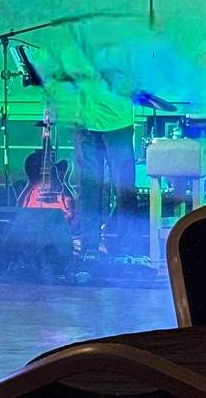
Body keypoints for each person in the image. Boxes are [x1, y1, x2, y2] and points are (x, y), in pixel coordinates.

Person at [52, 26, 140, 256]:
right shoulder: (72, 48)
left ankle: (126, 246)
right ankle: (88, 245)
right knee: (88, 187)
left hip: (116, 123)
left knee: (123, 187)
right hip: (85, 123)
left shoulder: (120, 47)